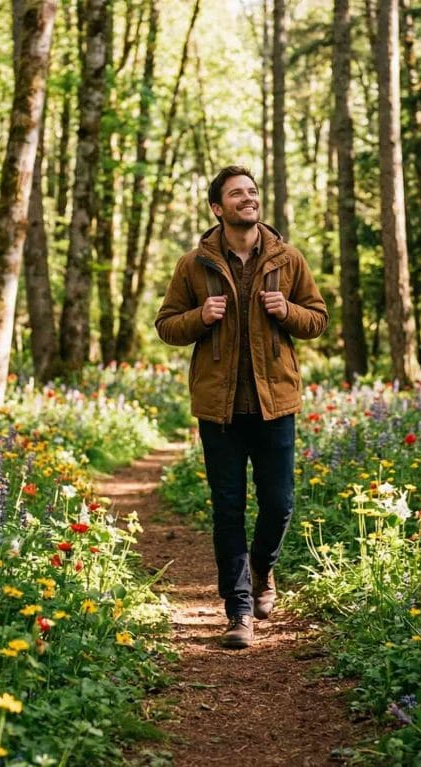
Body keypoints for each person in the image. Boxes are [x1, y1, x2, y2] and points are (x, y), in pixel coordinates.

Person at [155, 166, 328, 649]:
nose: (248, 198)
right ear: (218, 208)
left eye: (252, 191)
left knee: (279, 504)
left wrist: (287, 311)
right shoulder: (194, 264)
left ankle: (262, 570)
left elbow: (318, 319)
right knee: (228, 509)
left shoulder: (288, 259)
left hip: (276, 404)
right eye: (237, 194)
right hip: (220, 409)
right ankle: (239, 611)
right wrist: (199, 317)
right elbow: (167, 325)